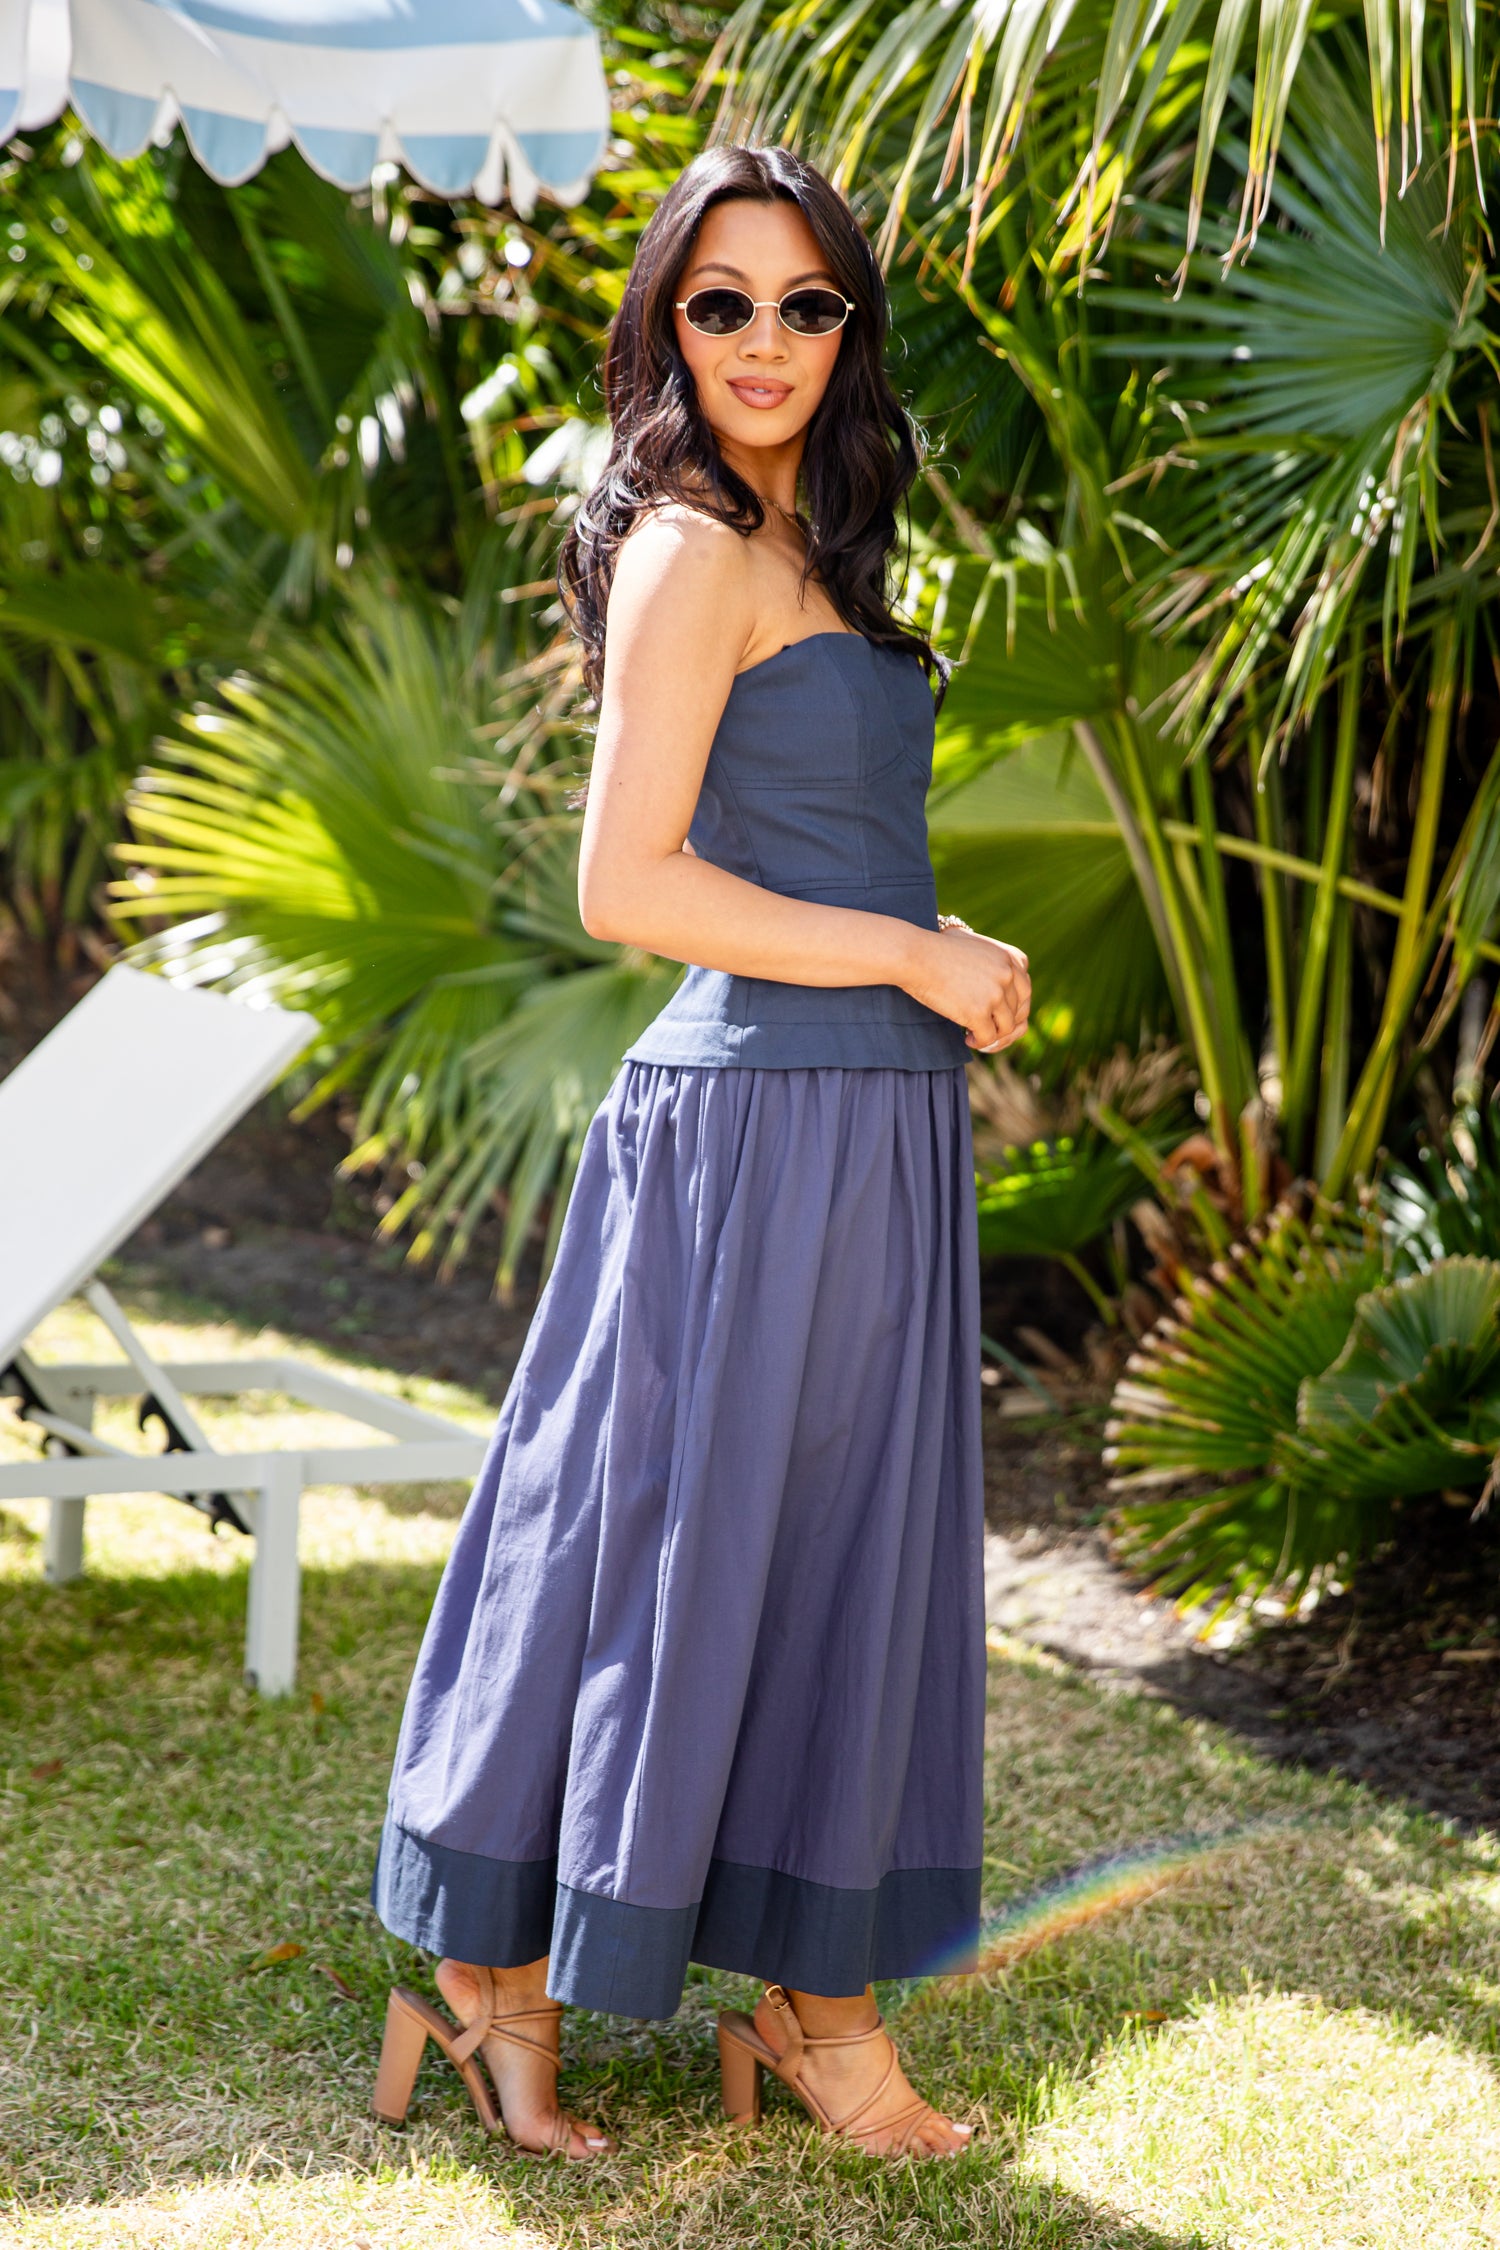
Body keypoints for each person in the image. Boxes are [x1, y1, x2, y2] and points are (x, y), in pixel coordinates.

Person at [368, 143, 1031, 2163]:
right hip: (756, 1127)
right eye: (720, 301)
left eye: (804, 303)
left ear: (852, 330)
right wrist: (914, 947)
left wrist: (930, 981)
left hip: (874, 1122)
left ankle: (822, 2017)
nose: (763, 340)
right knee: (659, 1541)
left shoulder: (806, 543)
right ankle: (494, 1977)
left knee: (837, 1561)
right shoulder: (683, 544)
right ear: (668, 322)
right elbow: (626, 881)